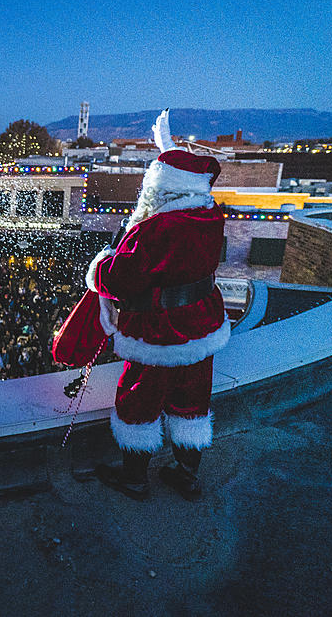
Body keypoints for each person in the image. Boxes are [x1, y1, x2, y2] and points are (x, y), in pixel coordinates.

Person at [86, 110, 230, 501]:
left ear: (161, 188)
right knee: (192, 401)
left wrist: (100, 265)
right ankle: (186, 474)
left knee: (139, 400)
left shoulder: (157, 229)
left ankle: (134, 478)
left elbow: (117, 279)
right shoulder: (210, 216)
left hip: (158, 331)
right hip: (201, 325)